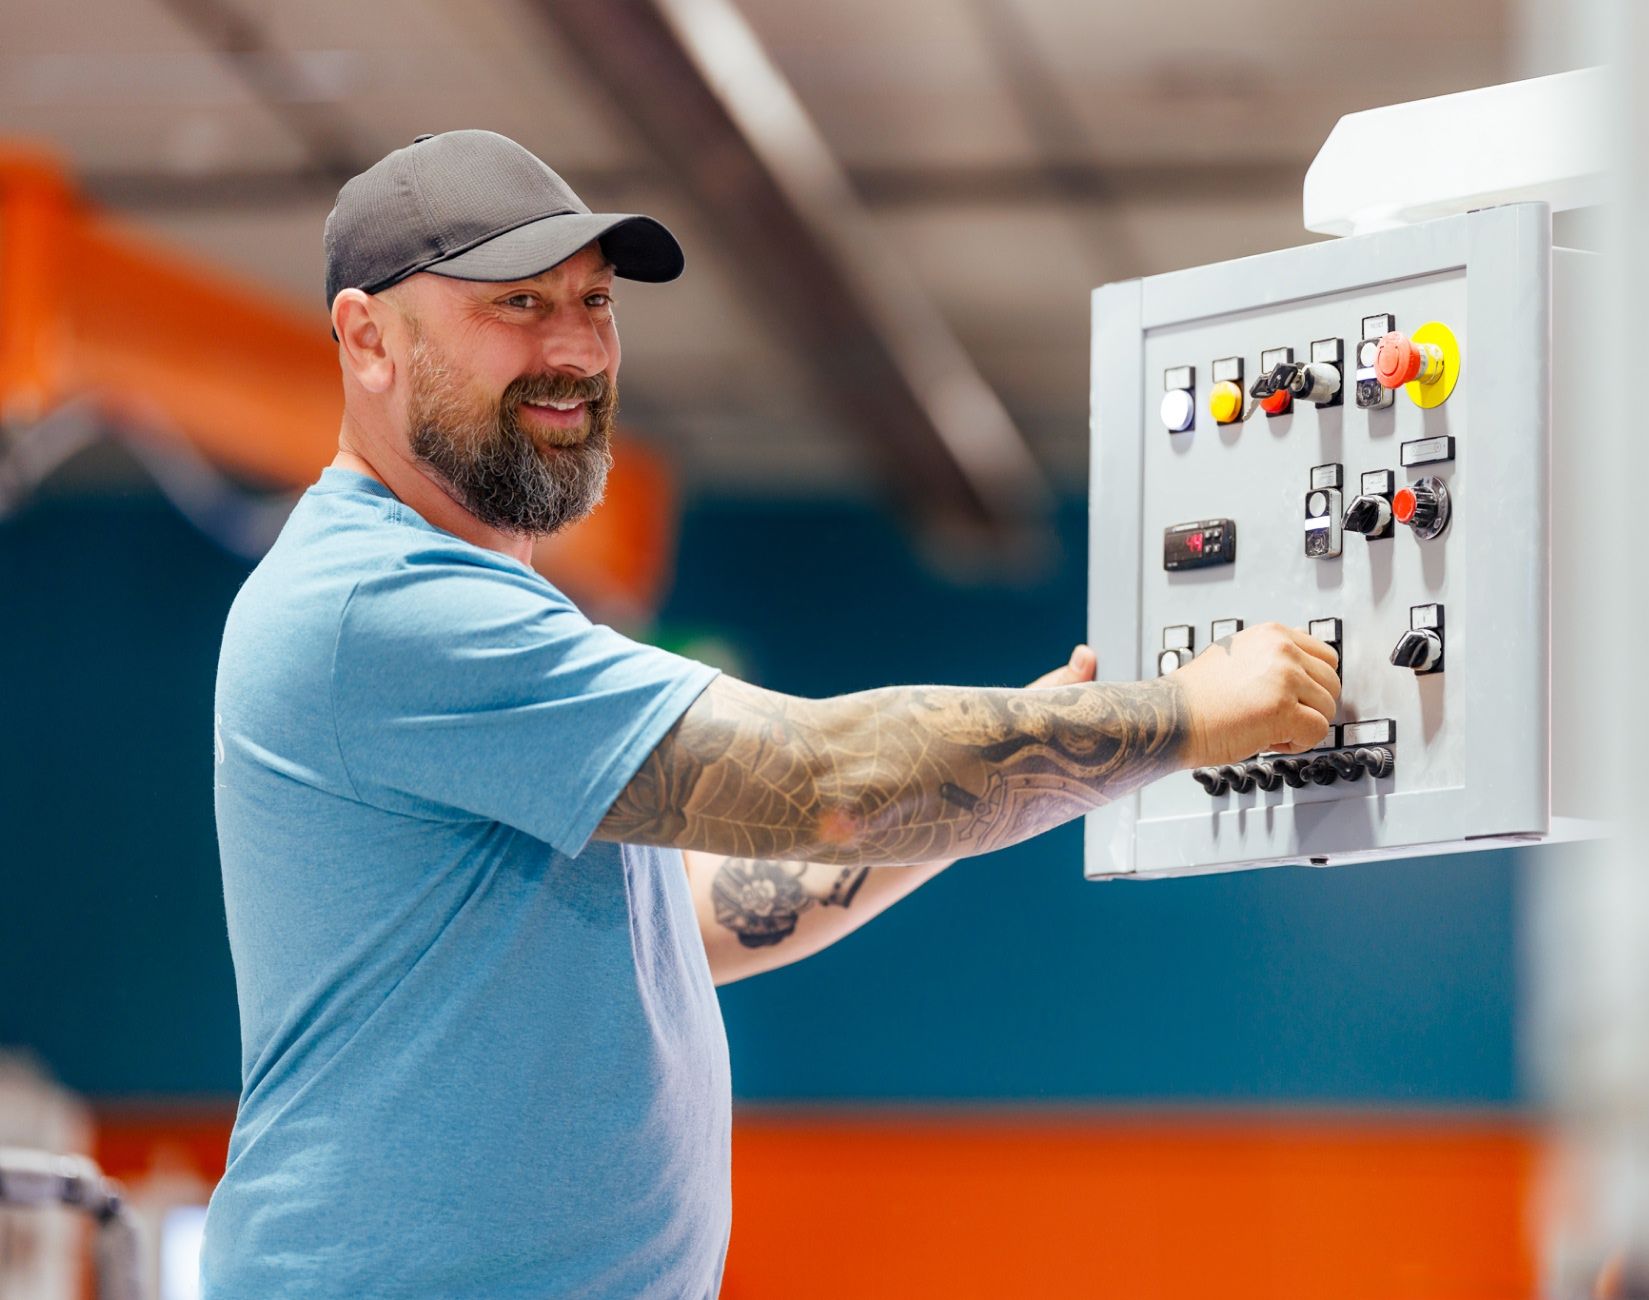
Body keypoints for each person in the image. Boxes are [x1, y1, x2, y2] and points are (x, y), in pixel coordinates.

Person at [202, 130, 1340, 1298]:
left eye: (595, 302)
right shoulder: (382, 602)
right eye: (520, 304)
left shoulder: (471, 607)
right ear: (367, 336)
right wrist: (1188, 713)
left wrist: (1042, 758)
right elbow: (824, 784)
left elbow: (695, 920)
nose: (577, 346)